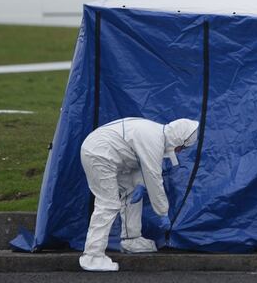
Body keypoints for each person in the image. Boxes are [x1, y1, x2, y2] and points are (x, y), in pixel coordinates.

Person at [79, 117, 199, 272]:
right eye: (181, 147)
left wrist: (140, 184)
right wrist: (162, 212)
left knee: (130, 193)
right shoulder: (154, 138)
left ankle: (131, 239)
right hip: (100, 153)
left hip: (108, 152)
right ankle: (92, 255)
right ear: (178, 139)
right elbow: (154, 177)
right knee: (108, 204)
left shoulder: (156, 135)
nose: (179, 151)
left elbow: (137, 162)